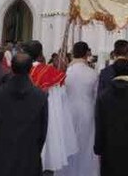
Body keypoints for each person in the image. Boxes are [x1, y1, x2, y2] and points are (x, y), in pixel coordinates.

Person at [0, 53, 48, 176]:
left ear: (11, 67)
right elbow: (42, 132)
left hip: (1, 154)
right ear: (30, 69)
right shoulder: (40, 96)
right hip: (29, 154)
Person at [24, 40, 78, 173]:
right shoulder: (50, 72)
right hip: (47, 121)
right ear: (41, 54)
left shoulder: (20, 70)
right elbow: (61, 97)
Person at [61, 41, 100, 176]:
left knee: (68, 143)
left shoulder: (66, 73)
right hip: (87, 111)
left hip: (69, 111)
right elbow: (96, 96)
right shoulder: (93, 74)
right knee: (86, 145)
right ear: (86, 53)